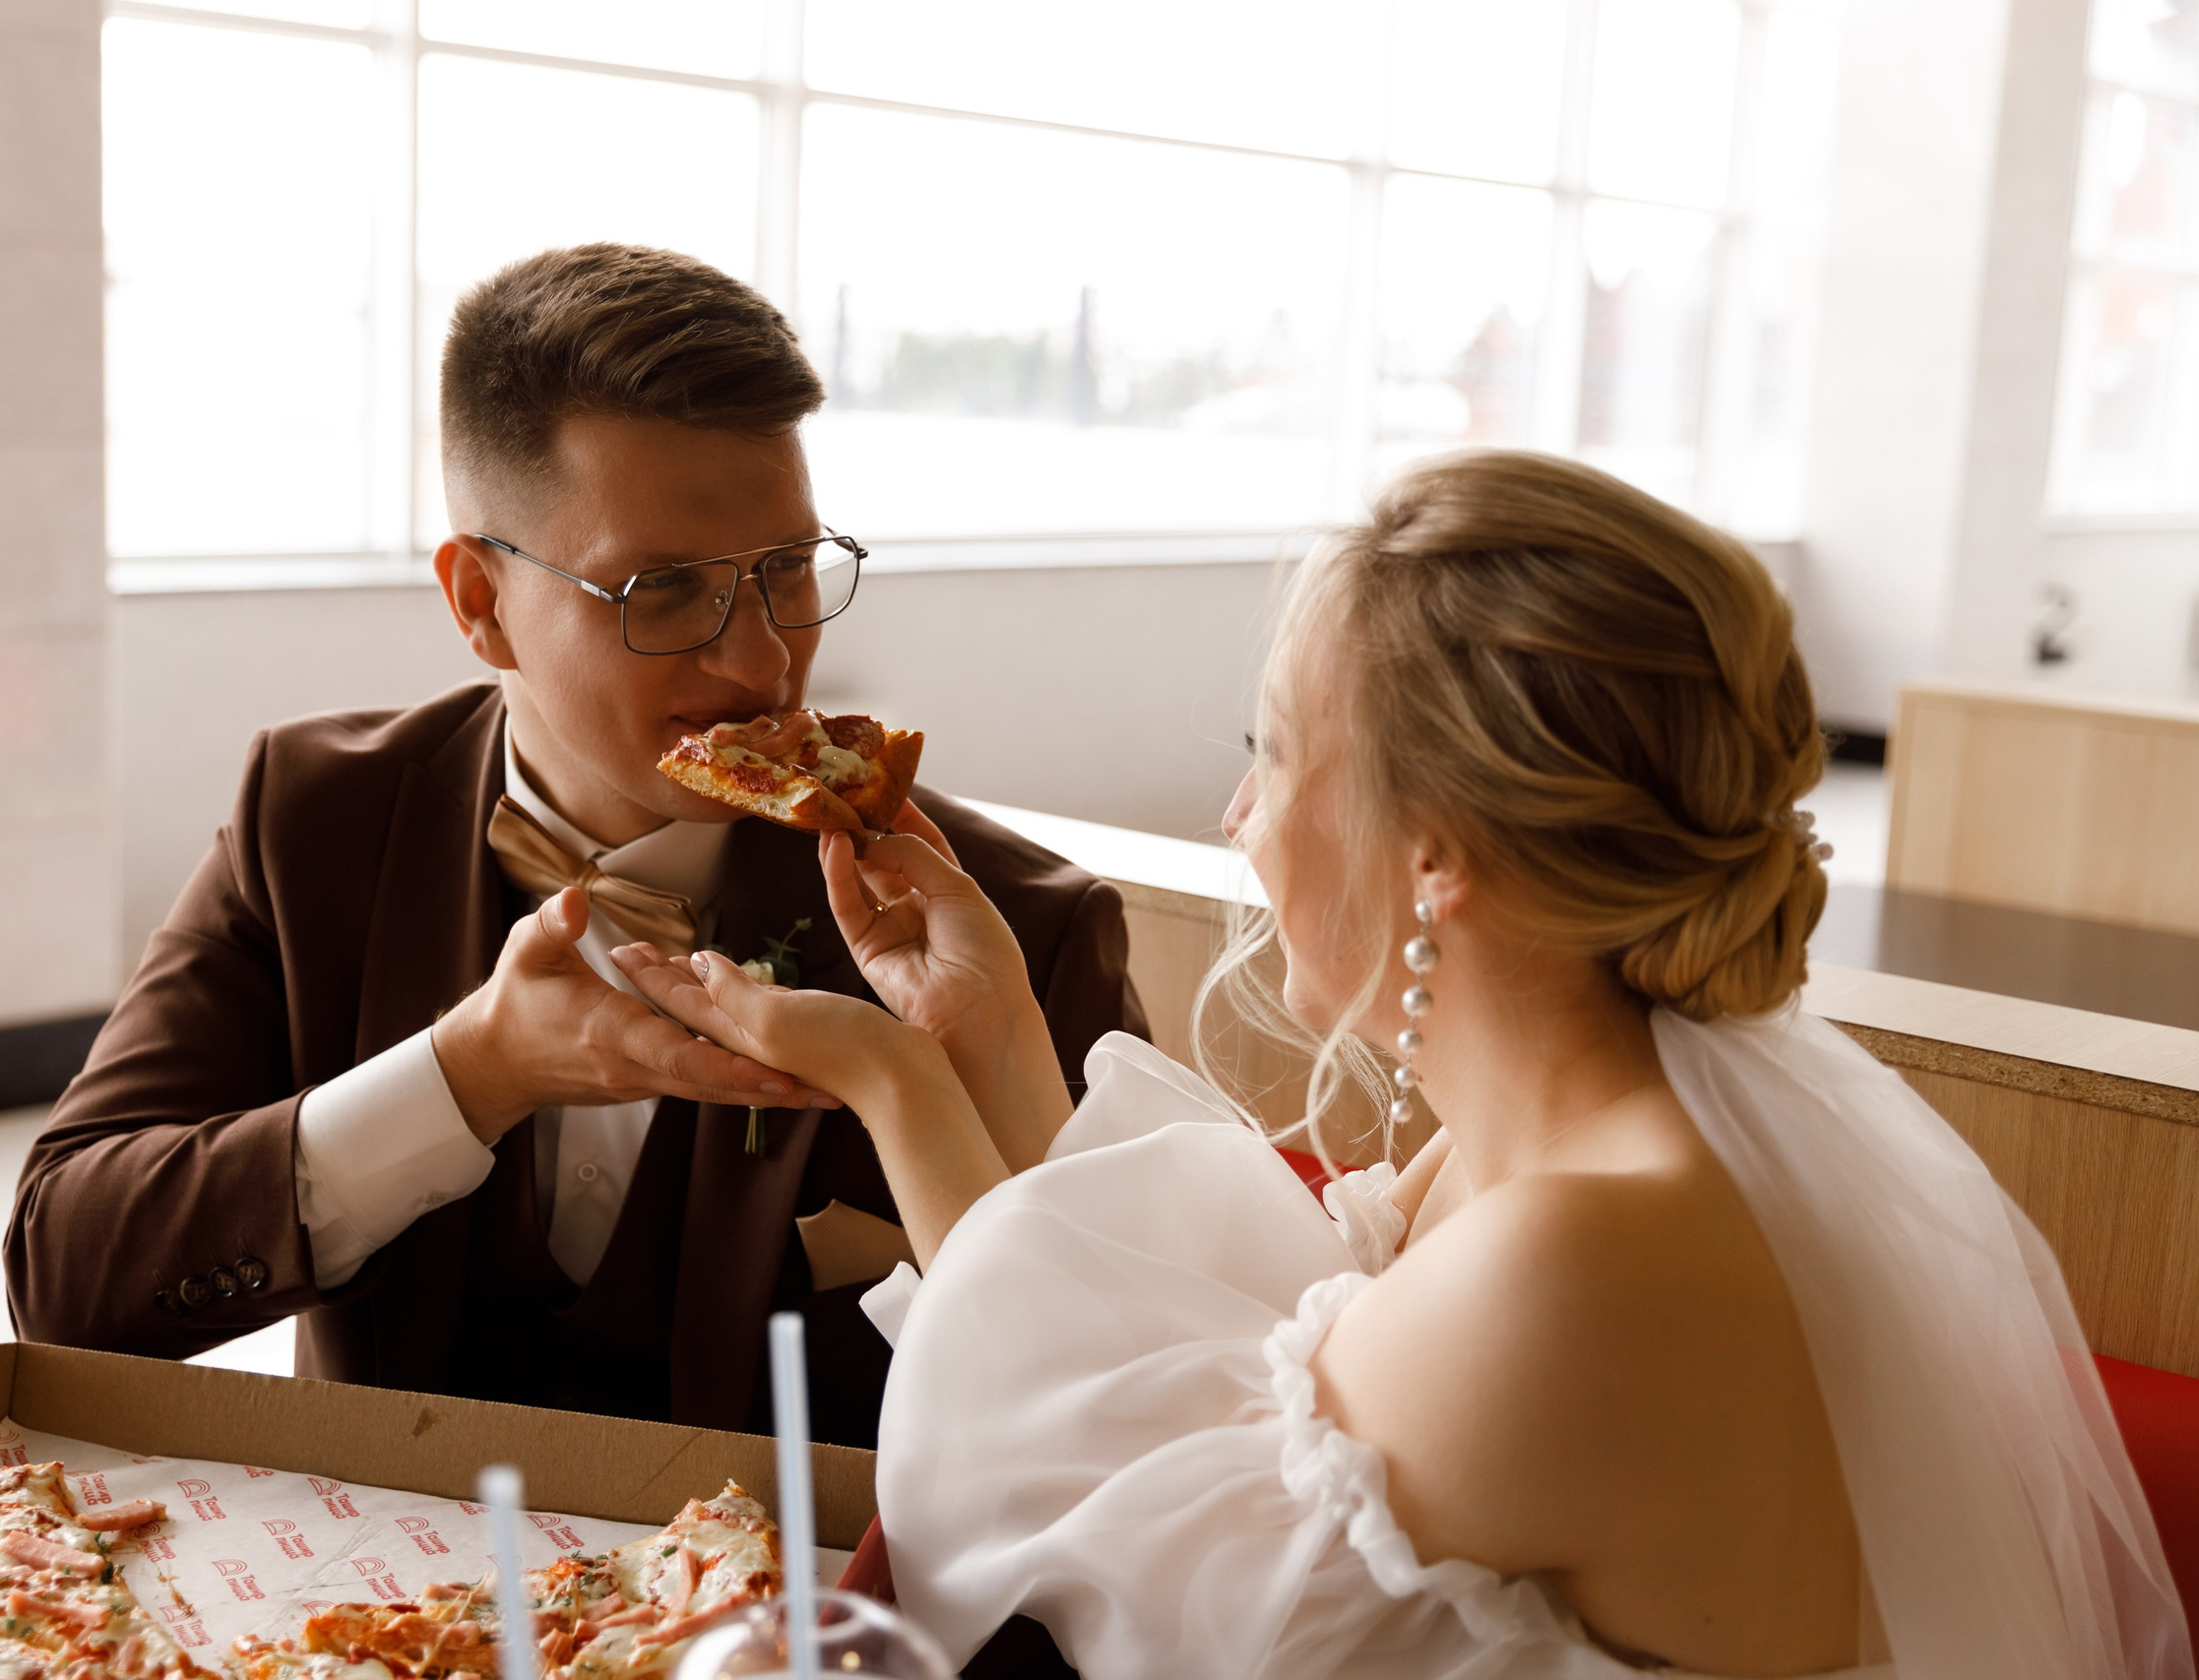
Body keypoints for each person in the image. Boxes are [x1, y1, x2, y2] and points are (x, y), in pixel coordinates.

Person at [610, 451, 2194, 1678]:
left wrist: (893, 1083)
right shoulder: (1541, 1149)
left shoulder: (1584, 1258)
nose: (1242, 819)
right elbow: (1161, 1364)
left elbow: (1121, 1551)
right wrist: (987, 1028)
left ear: (1435, 849)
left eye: (1272, 754)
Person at [3, 243, 1146, 1448]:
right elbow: (67, 1276)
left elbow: (1116, 1435)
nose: (762, 662)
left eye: (789, 571)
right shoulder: (311, 815)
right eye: (663, 592)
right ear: (480, 605)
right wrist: (466, 1076)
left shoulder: (1018, 932)